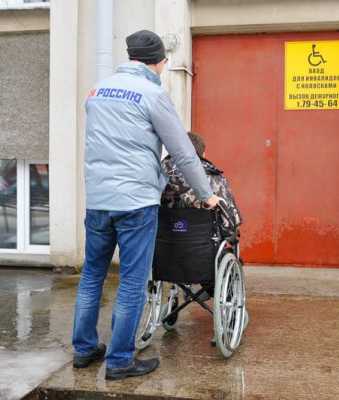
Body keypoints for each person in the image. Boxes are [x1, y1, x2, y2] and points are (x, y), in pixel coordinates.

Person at [72, 30, 219, 381]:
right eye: (164, 63)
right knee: (133, 281)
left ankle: (84, 349)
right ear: (158, 62)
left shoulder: (97, 91)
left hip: (98, 201)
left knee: (92, 275)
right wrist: (205, 192)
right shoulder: (152, 94)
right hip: (135, 202)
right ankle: (120, 360)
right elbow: (183, 150)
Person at [161, 131, 243, 239]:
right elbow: (230, 224)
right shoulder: (214, 179)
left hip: (162, 246)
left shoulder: (159, 174)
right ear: (203, 155)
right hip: (203, 248)